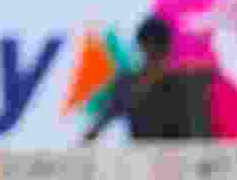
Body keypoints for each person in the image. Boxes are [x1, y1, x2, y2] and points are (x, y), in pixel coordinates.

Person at [82, 16, 210, 141]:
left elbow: (93, 132)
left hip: (163, 159)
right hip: (170, 159)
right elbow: (201, 135)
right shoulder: (188, 83)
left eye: (156, 46)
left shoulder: (127, 85)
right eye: (151, 46)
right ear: (168, 46)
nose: (153, 51)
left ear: (139, 45)